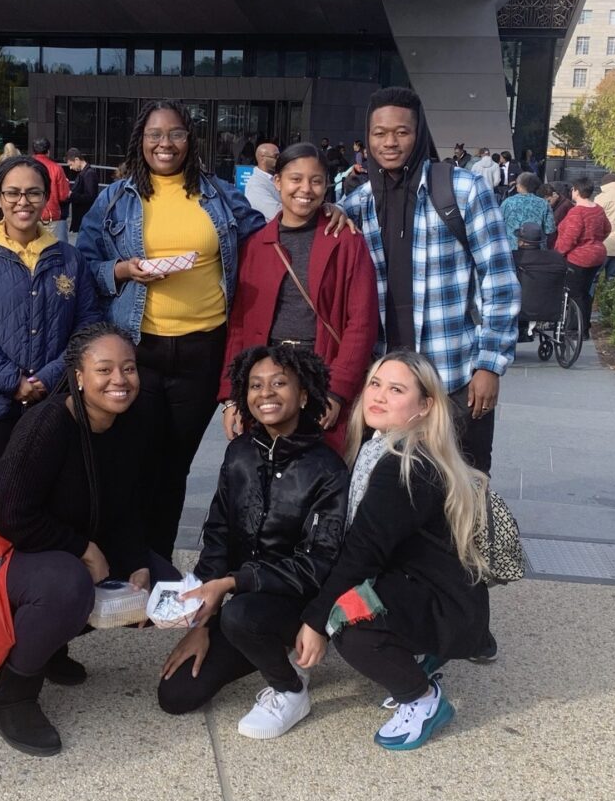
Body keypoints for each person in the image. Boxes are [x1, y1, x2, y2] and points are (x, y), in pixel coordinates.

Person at [0, 323, 181, 756]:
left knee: (163, 583)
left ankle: (50, 644)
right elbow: (11, 517)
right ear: (78, 375)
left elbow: (129, 505)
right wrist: (85, 550)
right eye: (105, 369)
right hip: (8, 552)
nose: (120, 380)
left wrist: (134, 557)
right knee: (68, 586)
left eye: (129, 368)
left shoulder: (132, 422)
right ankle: (13, 693)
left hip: (67, 545)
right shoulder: (48, 425)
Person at [77, 99, 268, 560]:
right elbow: (85, 262)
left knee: (174, 466)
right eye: (155, 135)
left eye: (176, 133)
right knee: (132, 460)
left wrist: (327, 218)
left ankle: (157, 563)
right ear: (140, 140)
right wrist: (122, 270)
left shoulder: (220, 195)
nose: (166, 143)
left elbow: (265, 240)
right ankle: (125, 560)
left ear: (191, 139)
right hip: (138, 349)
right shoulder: (116, 198)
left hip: (203, 350)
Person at [296, 351, 490, 752]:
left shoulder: (406, 464)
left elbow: (361, 553)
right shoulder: (380, 447)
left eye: (396, 389)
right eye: (375, 384)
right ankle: (424, 655)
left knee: (348, 621)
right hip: (432, 589)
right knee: (346, 601)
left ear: (425, 406)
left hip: (445, 604)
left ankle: (423, 699)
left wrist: (317, 623)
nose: (378, 396)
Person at [158, 346, 348, 739]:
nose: (267, 394)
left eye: (280, 383)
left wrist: (232, 584)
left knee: (241, 616)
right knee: (175, 695)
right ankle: (269, 649)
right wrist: (201, 623)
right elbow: (218, 535)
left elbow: (318, 563)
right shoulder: (239, 454)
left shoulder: (327, 468)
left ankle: (291, 689)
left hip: (300, 604)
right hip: (243, 603)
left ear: (304, 395)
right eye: (256, 385)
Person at [336, 86, 520, 477]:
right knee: (385, 496)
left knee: (463, 490)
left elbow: (499, 280)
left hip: (452, 376)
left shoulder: (463, 190)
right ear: (366, 139)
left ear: (419, 135)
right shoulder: (357, 205)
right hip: (386, 383)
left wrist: (490, 365)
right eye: (379, 133)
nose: (390, 142)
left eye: (401, 132)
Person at [0, 155, 102, 497]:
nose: (22, 202)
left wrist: (49, 377)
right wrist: (10, 380)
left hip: (51, 401)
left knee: (44, 500)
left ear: (47, 197)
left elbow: (88, 326)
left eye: (33, 193)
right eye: (12, 193)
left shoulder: (69, 258)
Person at [220, 142, 379, 452]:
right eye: (295, 179)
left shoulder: (346, 241)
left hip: (322, 374)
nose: (305, 189)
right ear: (277, 181)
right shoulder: (256, 245)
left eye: (316, 180)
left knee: (322, 479)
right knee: (266, 475)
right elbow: (239, 325)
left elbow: (361, 322)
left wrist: (337, 391)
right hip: (268, 376)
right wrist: (231, 396)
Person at [555, 176, 611, 337]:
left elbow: (569, 238)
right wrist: (595, 240)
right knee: (585, 292)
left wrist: (558, 253)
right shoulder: (598, 209)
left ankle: (575, 329)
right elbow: (607, 228)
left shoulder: (577, 212)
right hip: (598, 255)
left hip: (579, 257)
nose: (571, 191)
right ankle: (585, 327)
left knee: (575, 293)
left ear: (577, 191)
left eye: (573, 189)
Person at [31, 137, 71, 244]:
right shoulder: (56, 168)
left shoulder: (25, 166)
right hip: (50, 215)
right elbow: (63, 195)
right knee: (49, 247)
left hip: (29, 213)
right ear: (48, 151)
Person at [500, 172, 556, 241]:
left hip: (512, 246)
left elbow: (498, 225)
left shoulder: (507, 202)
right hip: (536, 246)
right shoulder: (544, 204)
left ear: (520, 185)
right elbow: (550, 229)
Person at [243, 142, 282, 218]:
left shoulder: (278, 177)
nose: (279, 160)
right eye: (276, 156)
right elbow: (274, 212)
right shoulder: (255, 185)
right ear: (262, 158)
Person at [66, 147, 99, 234]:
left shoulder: (88, 174)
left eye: (71, 164)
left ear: (77, 160)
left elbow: (90, 197)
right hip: (84, 218)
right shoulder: (85, 173)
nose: (70, 168)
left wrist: (71, 195)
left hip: (84, 217)